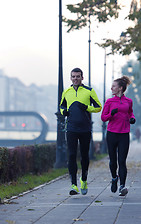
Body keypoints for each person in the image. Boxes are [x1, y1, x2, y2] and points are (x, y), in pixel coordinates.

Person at [60, 67, 102, 195]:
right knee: (71, 155)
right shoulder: (66, 92)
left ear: (82, 78)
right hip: (71, 128)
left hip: (85, 128)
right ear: (71, 78)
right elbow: (62, 106)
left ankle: (83, 179)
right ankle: (73, 185)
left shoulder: (89, 91)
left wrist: (86, 107)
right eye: (73, 76)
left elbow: (98, 107)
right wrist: (64, 112)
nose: (75, 78)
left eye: (78, 76)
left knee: (84, 156)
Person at [101, 76, 136, 196]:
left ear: (120, 88)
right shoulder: (109, 101)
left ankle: (122, 186)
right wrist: (111, 114)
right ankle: (114, 178)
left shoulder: (128, 101)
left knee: (122, 161)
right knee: (113, 161)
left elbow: (130, 112)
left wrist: (132, 118)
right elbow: (103, 117)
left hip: (124, 134)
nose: (112, 88)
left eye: (114, 86)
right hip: (112, 134)